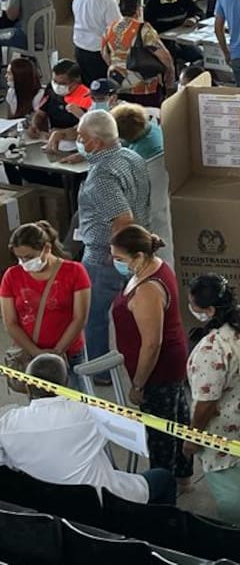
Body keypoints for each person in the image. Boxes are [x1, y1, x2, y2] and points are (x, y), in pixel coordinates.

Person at [0, 354, 176, 505]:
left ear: (27, 388)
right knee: (164, 479)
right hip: (101, 503)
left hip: (48, 505)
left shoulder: (7, 424)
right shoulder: (89, 412)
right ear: (66, 384)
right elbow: (136, 437)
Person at [110, 225, 193, 488]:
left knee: (161, 435)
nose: (115, 263)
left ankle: (162, 489)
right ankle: (183, 478)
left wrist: (138, 385)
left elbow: (151, 345)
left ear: (138, 256)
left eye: (119, 258)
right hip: (172, 361)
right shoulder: (156, 266)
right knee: (178, 421)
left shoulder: (147, 290)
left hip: (158, 371)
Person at [183, 274, 240, 526]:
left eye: (193, 305)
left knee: (225, 477)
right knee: (233, 466)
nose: (191, 308)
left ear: (209, 310)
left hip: (220, 428)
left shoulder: (211, 350)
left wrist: (193, 438)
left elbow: (207, 402)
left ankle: (239, 529)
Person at [75, 110, 151, 362]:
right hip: (136, 250)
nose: (79, 141)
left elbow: (123, 219)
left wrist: (115, 255)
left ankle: (99, 369)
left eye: (82, 137)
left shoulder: (102, 176)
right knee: (131, 311)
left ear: (97, 142)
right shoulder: (132, 157)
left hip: (104, 258)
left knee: (93, 314)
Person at [0, 222, 90, 392]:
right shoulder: (11, 276)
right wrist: (36, 352)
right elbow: (10, 322)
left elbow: (79, 318)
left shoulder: (75, 272)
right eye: (20, 258)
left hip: (69, 352)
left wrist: (57, 352)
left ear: (47, 248)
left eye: (29, 257)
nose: (24, 263)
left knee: (77, 397)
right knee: (40, 403)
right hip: (30, 354)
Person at [103, 0, 175, 108]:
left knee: (126, 116)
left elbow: (105, 55)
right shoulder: (143, 29)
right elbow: (164, 56)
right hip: (144, 85)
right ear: (138, 9)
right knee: (148, 116)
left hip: (119, 83)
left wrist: (119, 66)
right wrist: (170, 75)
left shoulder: (109, 29)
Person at [72, 0, 124, 86]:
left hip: (79, 48)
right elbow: (115, 30)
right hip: (97, 52)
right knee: (102, 89)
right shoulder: (108, 1)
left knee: (87, 87)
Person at [32, 60, 93, 139]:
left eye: (63, 83)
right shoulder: (51, 89)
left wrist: (62, 133)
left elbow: (88, 128)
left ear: (76, 80)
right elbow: (40, 113)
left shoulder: (87, 96)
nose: (57, 86)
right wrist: (34, 125)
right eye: (55, 81)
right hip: (52, 137)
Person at [5, 58, 41, 122]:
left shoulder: (39, 96)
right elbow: (10, 119)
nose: (6, 76)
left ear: (19, 76)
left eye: (9, 73)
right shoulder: (11, 92)